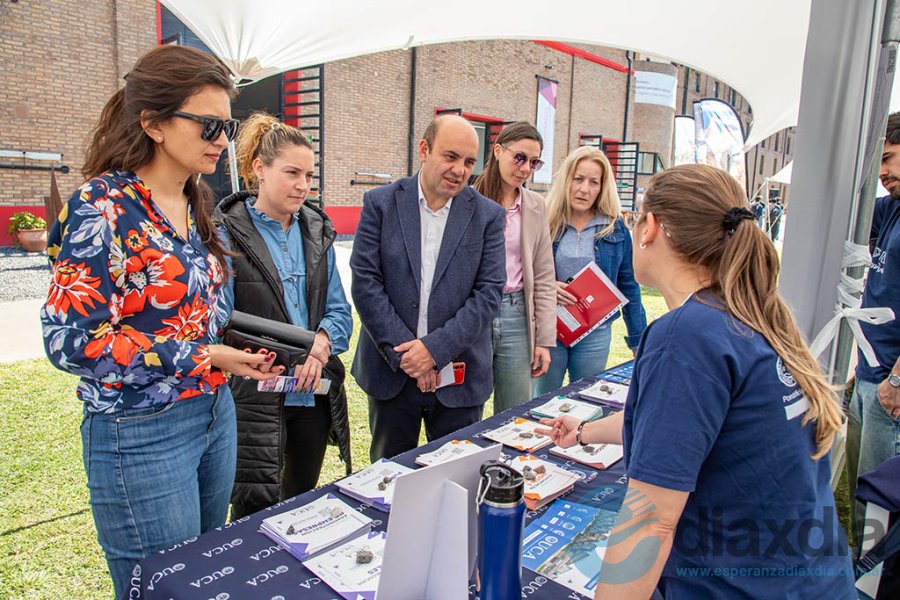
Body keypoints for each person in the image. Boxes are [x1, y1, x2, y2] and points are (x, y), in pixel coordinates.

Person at [538, 164, 855, 599]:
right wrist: (586, 432)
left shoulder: (686, 336)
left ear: (650, 228)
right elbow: (684, 429)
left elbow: (650, 522)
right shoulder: (747, 315)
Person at [40, 46, 279, 598]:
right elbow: (71, 341)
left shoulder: (194, 197)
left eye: (228, 124)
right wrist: (203, 355)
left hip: (214, 412)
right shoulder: (100, 206)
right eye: (209, 125)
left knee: (205, 576)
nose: (223, 139)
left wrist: (235, 344)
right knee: (167, 588)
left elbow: (193, 314)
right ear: (153, 123)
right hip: (141, 431)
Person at [216, 113, 353, 519]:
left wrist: (320, 348)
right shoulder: (224, 232)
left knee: (300, 504)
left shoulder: (317, 229)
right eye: (292, 172)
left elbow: (339, 310)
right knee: (252, 510)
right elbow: (223, 321)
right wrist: (299, 353)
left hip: (311, 394)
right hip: (255, 399)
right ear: (259, 168)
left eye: (309, 175)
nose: (303, 185)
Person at [351, 114, 506, 462]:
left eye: (468, 162)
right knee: (387, 482)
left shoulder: (488, 217)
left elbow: (489, 294)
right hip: (393, 376)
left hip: (459, 380)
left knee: (454, 481)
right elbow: (365, 283)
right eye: (450, 157)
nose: (460, 170)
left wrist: (433, 351)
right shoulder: (380, 204)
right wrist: (410, 357)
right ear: (424, 149)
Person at [533, 146, 647, 397]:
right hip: (551, 328)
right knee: (541, 402)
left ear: (602, 187)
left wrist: (638, 340)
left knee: (585, 402)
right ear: (567, 180)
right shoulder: (545, 220)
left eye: (594, 182)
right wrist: (546, 287)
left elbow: (629, 286)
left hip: (595, 333)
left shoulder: (615, 228)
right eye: (578, 179)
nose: (585, 189)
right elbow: (522, 272)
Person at [472, 121, 556, 412]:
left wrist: (544, 340)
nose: (525, 168)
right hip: (474, 311)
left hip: (517, 312)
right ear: (497, 151)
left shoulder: (535, 205)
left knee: (514, 411)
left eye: (534, 162)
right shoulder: (468, 199)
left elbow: (544, 275)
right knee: (468, 408)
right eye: (519, 158)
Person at [847, 110, 900, 545]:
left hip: (890, 382)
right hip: (870, 371)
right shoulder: (893, 208)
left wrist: (897, 379)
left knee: (881, 504)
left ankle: (871, 583)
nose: (882, 172)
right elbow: (854, 208)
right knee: (861, 489)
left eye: (889, 158)